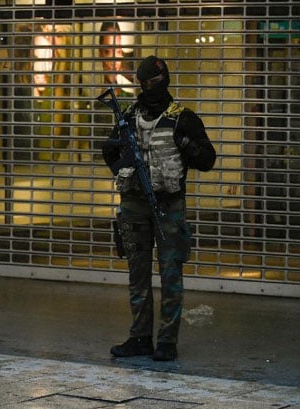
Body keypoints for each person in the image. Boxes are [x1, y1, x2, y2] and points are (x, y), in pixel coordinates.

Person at [102, 56, 216, 361]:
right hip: (134, 203)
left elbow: (208, 159)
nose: (154, 87)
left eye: (158, 82)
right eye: (150, 83)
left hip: (168, 204)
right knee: (137, 273)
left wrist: (186, 145)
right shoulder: (128, 116)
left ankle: (167, 340)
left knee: (170, 273)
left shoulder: (182, 118)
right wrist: (126, 160)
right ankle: (140, 337)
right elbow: (108, 153)